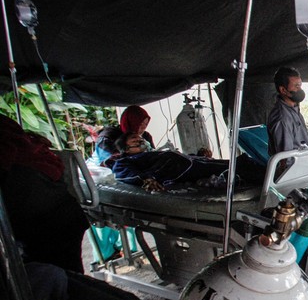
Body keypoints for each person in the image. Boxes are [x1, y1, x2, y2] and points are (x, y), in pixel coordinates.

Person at [0, 116, 90, 274]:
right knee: (65, 274)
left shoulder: (13, 155)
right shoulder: (29, 150)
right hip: (56, 216)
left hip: (48, 222)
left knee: (62, 275)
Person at [108, 132, 265, 192]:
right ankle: (266, 176)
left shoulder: (150, 154)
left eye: (141, 139)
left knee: (237, 163)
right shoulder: (124, 161)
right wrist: (146, 179)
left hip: (188, 164)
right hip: (175, 171)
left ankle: (265, 172)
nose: (141, 141)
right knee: (239, 166)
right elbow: (126, 174)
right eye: (135, 141)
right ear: (125, 149)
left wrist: (198, 155)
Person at [266, 67, 308, 159]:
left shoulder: (294, 109)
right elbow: (285, 159)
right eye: (296, 86)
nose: (300, 89)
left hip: (304, 162)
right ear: (283, 90)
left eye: (300, 85)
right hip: (295, 167)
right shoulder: (282, 118)